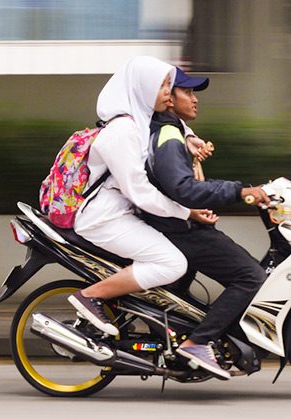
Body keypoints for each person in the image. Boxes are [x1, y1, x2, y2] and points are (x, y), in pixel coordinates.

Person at [67, 57, 215, 336]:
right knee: (172, 263)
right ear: (142, 88)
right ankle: (90, 296)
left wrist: (189, 136)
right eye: (163, 86)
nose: (168, 96)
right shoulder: (121, 132)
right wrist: (187, 212)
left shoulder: (136, 121)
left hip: (121, 215)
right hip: (104, 220)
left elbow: (164, 126)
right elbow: (140, 192)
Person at [139, 67, 270, 380]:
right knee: (250, 276)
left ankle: (196, 336)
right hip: (179, 231)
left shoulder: (172, 131)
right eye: (189, 92)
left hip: (178, 225)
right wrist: (241, 190)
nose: (195, 100)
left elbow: (179, 184)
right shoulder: (169, 135)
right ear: (168, 99)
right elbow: (182, 188)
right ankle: (197, 343)